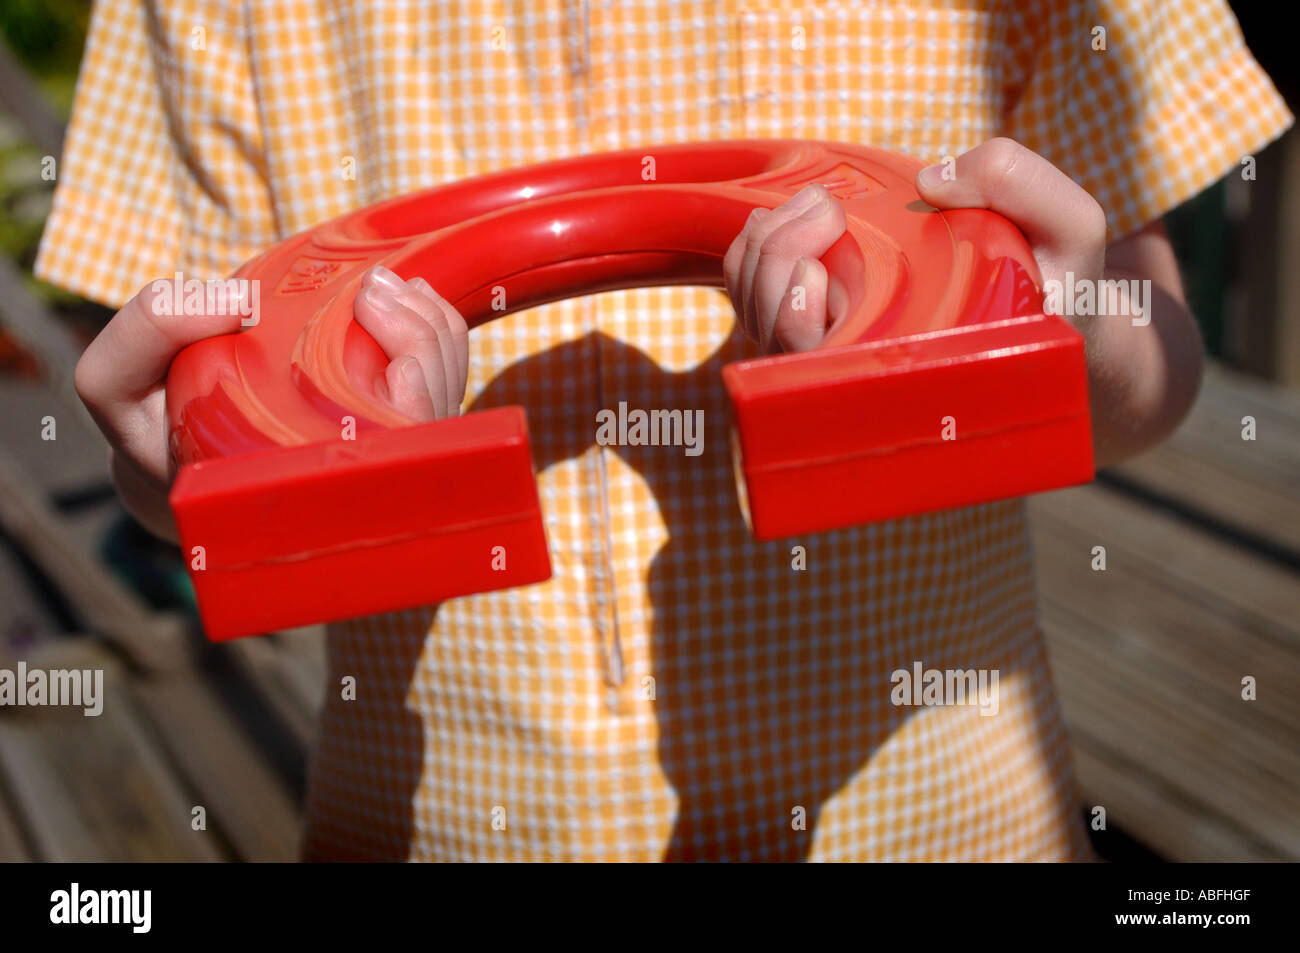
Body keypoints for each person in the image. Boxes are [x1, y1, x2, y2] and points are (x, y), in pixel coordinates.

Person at [39, 0, 1290, 861]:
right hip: (449, 824)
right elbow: (227, 423)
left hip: (934, 818)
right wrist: (176, 474)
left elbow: (1151, 347)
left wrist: (1049, 347)